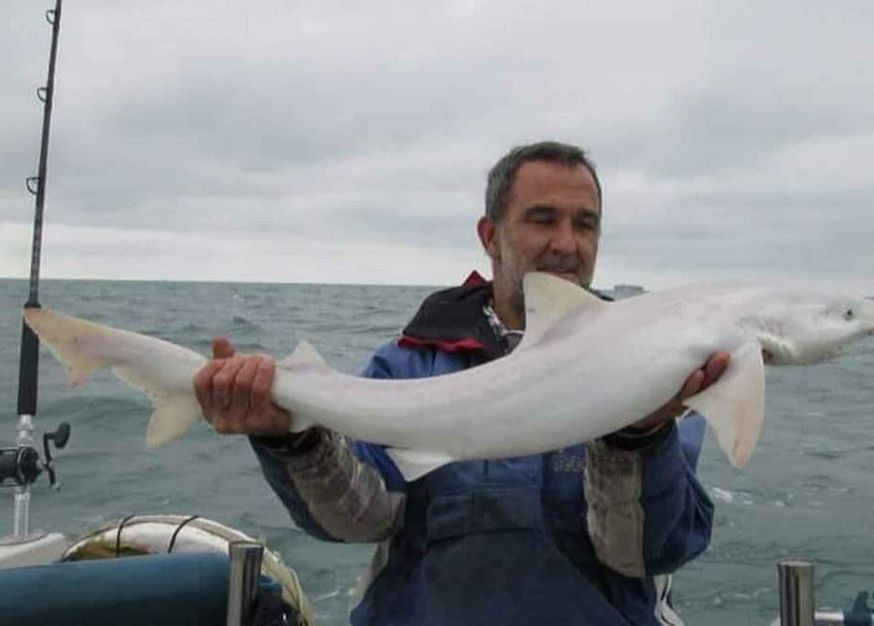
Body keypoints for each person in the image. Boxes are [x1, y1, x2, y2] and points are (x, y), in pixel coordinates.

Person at [194, 141, 726, 626]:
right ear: (490, 236)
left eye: (585, 225)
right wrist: (292, 439)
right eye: (543, 220)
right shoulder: (409, 365)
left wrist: (637, 435)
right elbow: (359, 520)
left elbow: (647, 552)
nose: (567, 243)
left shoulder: (657, 371)